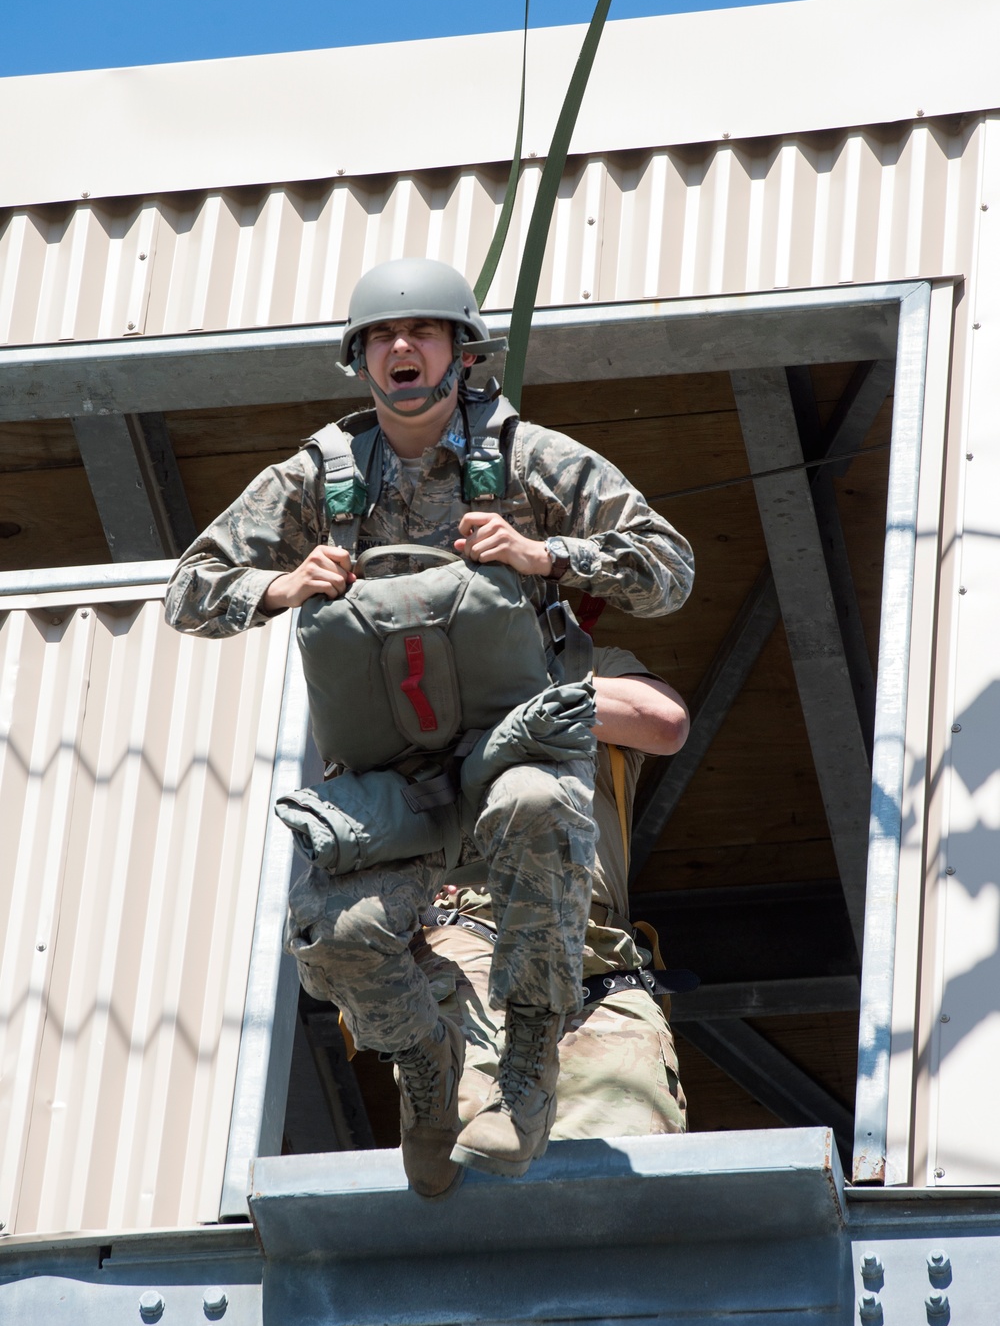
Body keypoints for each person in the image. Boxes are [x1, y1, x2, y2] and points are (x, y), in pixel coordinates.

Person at [165, 257, 694, 1198]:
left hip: (508, 748)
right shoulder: (318, 477)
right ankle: (427, 1069)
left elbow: (667, 567)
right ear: (361, 358)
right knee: (333, 931)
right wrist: (283, 585)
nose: (400, 349)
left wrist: (546, 552)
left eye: (422, 332)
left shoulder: (529, 458)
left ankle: (529, 1061)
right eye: (381, 337)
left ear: (463, 350)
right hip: (398, 771)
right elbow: (190, 591)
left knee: (536, 807)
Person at [418, 646, 690, 1141]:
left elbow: (663, 722)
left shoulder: (586, 662)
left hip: (598, 960)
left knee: (631, 1164)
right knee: (471, 1153)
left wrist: (521, 695)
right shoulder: (424, 675)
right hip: (476, 938)